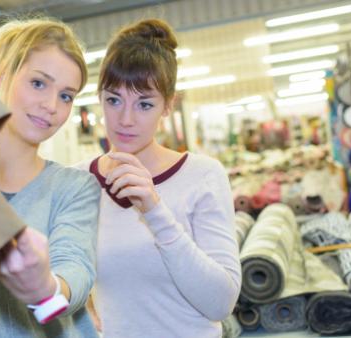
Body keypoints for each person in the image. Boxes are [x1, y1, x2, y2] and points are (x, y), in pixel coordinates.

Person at [79, 19, 241, 337]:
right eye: (113, 100)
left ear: (167, 105)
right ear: (99, 99)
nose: (125, 119)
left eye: (144, 104)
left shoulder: (202, 175)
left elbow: (221, 303)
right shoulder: (77, 181)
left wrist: (155, 212)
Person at [0, 18, 100, 337]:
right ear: (3, 75)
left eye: (66, 96)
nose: (51, 106)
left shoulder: (74, 188)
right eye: (39, 83)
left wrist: (45, 291)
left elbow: (75, 270)